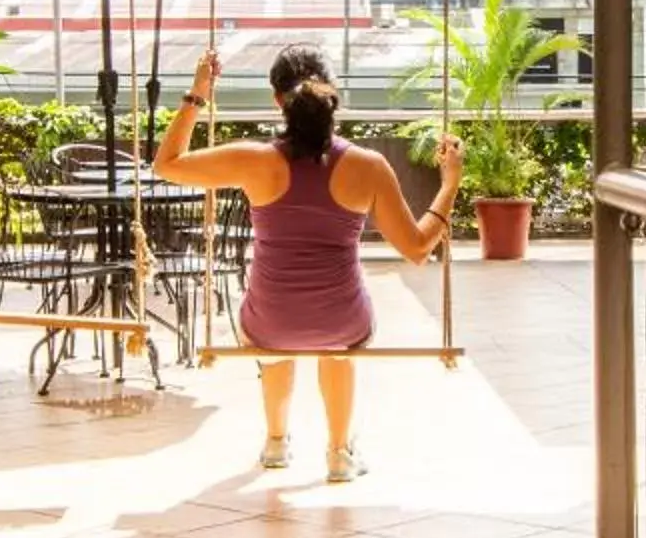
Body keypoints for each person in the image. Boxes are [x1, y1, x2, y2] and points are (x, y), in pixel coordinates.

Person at [152, 44, 460, 482]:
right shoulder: (368, 166)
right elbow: (417, 249)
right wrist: (450, 183)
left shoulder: (254, 160)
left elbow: (166, 164)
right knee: (339, 348)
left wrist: (199, 92)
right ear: (333, 93)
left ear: (278, 101)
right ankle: (339, 452)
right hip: (343, 321)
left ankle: (276, 443)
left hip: (270, 321)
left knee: (275, 344)